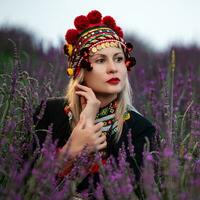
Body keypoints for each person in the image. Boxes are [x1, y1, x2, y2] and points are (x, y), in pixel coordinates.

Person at [33, 10, 156, 199]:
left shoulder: (140, 130)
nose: (113, 68)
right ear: (81, 71)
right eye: (100, 60)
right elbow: (21, 182)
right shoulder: (48, 112)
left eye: (118, 58)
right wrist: (70, 151)